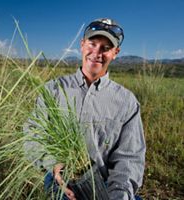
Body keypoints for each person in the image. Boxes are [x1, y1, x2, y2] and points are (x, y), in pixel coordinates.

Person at [24, 18, 146, 200]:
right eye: (93, 43)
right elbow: (32, 133)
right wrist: (53, 165)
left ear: (115, 53)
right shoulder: (54, 89)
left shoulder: (126, 101)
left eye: (106, 48)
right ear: (82, 45)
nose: (97, 52)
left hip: (105, 184)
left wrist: (118, 194)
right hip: (61, 180)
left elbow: (129, 158)